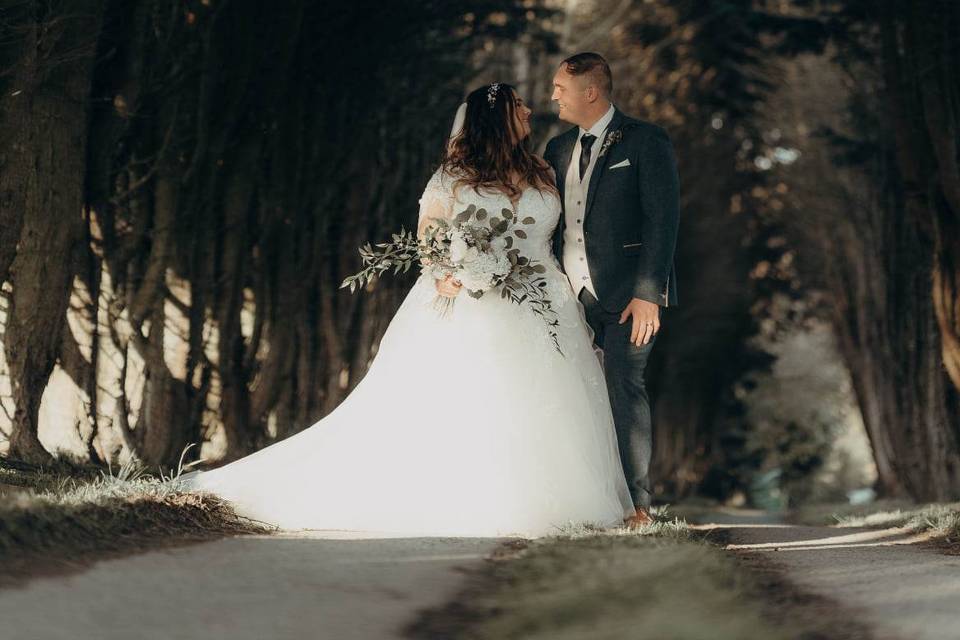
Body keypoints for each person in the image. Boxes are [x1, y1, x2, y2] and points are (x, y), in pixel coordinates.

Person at [175, 82, 636, 538]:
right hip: (469, 300)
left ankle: (557, 500)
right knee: (467, 398)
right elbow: (430, 238)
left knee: (552, 399)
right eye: (519, 107)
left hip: (543, 297)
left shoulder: (542, 170)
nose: (530, 111)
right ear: (496, 119)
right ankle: (473, 499)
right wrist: (450, 273)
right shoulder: (452, 177)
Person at [544, 52, 681, 526]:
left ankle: (638, 506)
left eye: (561, 87)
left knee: (625, 388)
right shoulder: (556, 149)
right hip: (569, 298)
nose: (554, 95)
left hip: (630, 299)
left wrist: (650, 294)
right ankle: (583, 499)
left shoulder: (646, 141)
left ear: (591, 92)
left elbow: (663, 221)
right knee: (573, 395)